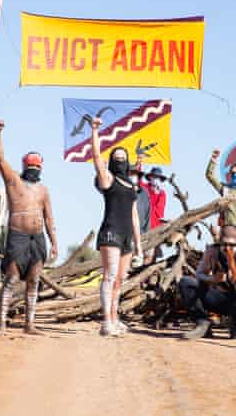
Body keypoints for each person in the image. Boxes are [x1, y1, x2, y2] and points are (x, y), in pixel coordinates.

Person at [0, 120, 58, 336]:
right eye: (30, 166)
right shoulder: (13, 182)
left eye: (36, 166)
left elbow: (49, 218)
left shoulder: (44, 190)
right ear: (23, 167)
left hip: (38, 239)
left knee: (34, 280)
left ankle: (29, 324)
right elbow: (0, 158)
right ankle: (2, 323)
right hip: (18, 237)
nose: (33, 169)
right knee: (11, 279)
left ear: (40, 168)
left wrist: (55, 243)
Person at [89, 116, 142, 336]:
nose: (120, 160)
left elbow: (134, 215)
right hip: (110, 232)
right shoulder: (107, 179)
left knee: (120, 279)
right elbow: (96, 157)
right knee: (109, 277)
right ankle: (105, 322)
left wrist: (139, 245)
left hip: (127, 236)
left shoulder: (131, 185)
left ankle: (115, 317)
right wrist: (95, 132)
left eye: (123, 157)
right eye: (116, 157)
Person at [179, 224, 236, 340]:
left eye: (231, 245)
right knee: (186, 283)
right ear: (219, 242)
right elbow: (199, 274)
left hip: (235, 301)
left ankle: (235, 326)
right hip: (215, 297)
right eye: (224, 244)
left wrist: (235, 279)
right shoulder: (212, 251)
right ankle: (203, 323)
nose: (227, 248)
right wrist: (213, 279)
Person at [206, 151, 236, 237]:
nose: (235, 175)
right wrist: (213, 160)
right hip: (227, 228)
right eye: (233, 173)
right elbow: (210, 176)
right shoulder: (225, 189)